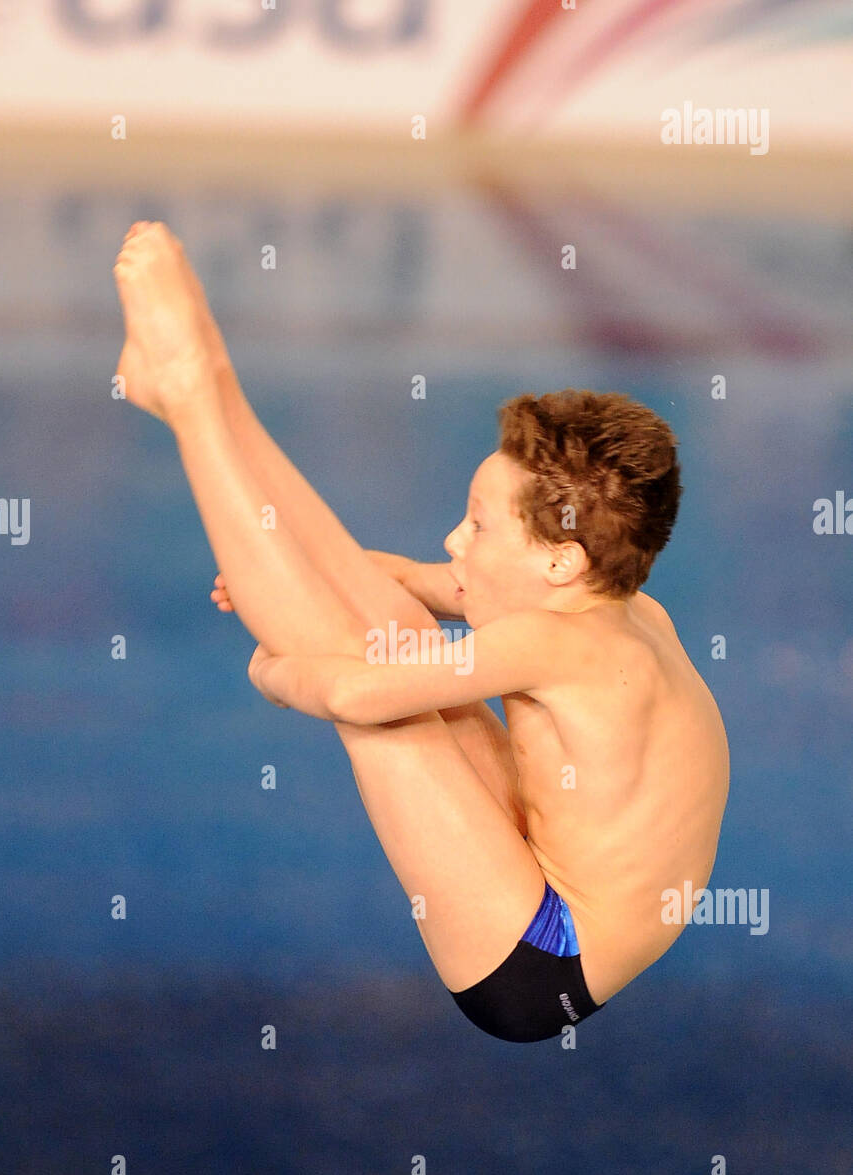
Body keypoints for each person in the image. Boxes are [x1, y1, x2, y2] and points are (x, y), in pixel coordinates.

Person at [114, 221, 729, 1043]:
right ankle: (211, 390)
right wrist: (297, 559)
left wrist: (272, 671)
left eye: (478, 526)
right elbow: (413, 582)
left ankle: (193, 404)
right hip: (561, 886)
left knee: (384, 695)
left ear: (560, 561)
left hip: (540, 963)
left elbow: (352, 694)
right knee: (395, 625)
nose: (454, 541)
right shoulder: (622, 606)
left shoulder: (554, 644)